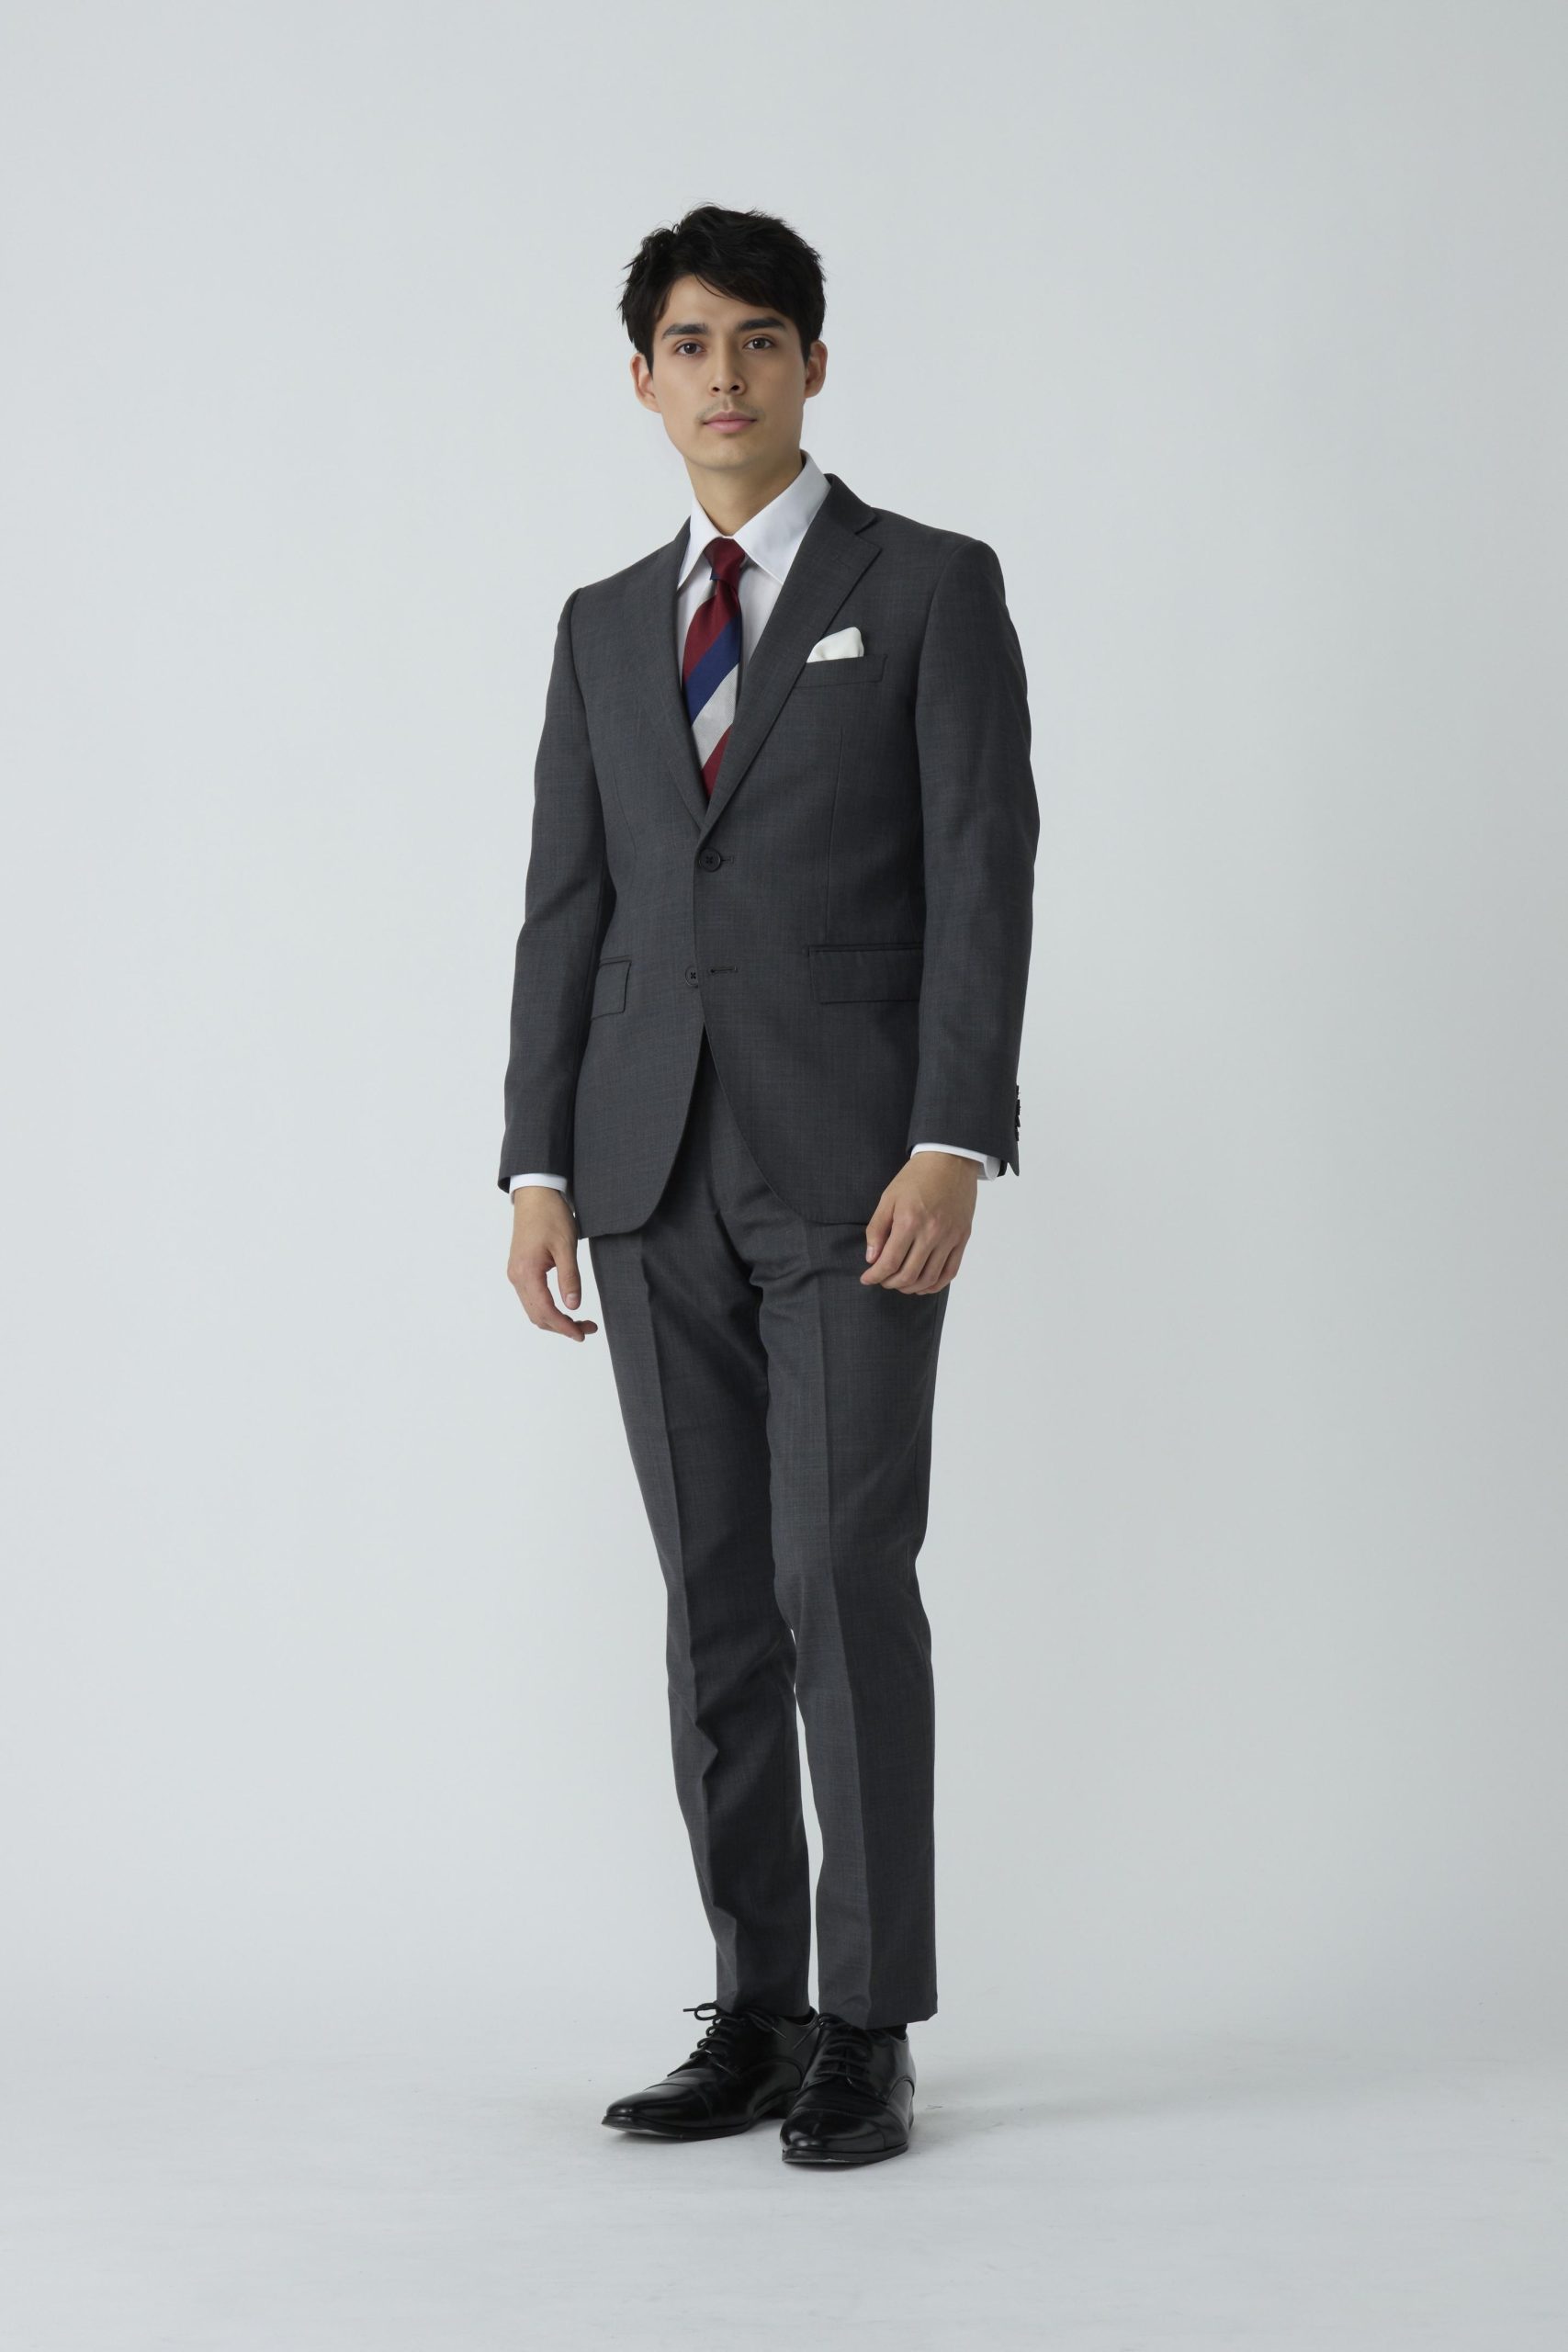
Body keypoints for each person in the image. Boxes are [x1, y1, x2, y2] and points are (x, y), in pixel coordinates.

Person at [499, 204, 1038, 2167]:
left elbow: (983, 871)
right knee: (714, 1594)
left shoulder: (930, 585)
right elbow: (568, 907)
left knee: (836, 1574)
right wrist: (538, 1162)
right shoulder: (598, 624)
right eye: (687, 344)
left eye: (757, 340)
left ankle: (867, 2019)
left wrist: (953, 1135)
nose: (721, 375)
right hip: (644, 1171)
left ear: (814, 364)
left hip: (856, 1166)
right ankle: (757, 2003)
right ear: (640, 379)